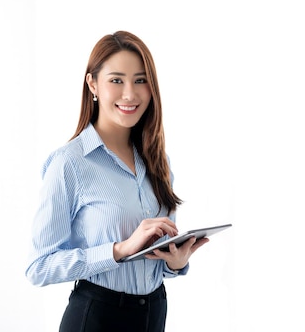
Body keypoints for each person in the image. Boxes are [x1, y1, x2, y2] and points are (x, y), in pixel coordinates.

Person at [25, 30, 208, 332]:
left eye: (140, 80)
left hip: (153, 314)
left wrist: (176, 262)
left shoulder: (157, 160)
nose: (130, 94)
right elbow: (38, 267)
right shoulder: (69, 163)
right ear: (92, 84)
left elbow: (158, 261)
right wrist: (118, 250)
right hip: (97, 317)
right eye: (116, 80)